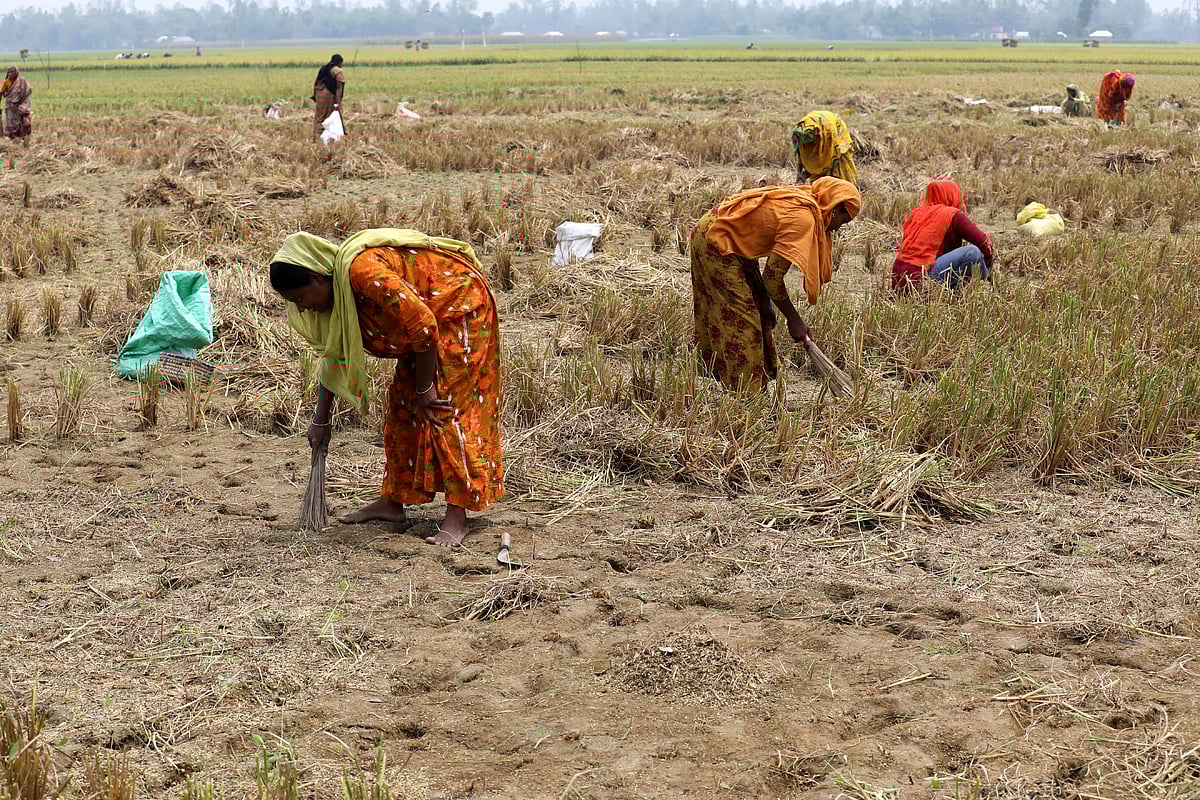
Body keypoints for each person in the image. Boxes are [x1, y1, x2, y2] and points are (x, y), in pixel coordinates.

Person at [268, 228, 505, 547]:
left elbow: (424, 326)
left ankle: (457, 515)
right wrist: (320, 419)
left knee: (445, 408)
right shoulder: (336, 298)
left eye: (300, 298)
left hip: (459, 306)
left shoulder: (364, 273)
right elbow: (334, 355)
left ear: (319, 278)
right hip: (424, 327)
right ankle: (393, 502)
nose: (302, 309)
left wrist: (425, 388)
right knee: (403, 408)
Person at [689, 178, 861, 390]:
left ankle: (752, 384)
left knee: (759, 312)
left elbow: (760, 261)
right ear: (835, 208)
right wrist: (794, 319)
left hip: (726, 238)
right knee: (742, 321)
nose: (836, 229)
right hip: (715, 241)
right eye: (843, 221)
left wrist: (764, 300)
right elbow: (772, 279)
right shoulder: (803, 219)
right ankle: (747, 394)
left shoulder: (808, 204)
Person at [891, 181, 993, 294]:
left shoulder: (918, 214)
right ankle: (988, 286)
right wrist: (988, 262)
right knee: (972, 252)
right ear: (952, 195)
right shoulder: (952, 214)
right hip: (921, 280)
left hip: (898, 281)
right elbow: (984, 242)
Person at [791, 110, 857, 186]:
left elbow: (827, 158)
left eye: (810, 143)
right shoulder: (799, 134)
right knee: (818, 184)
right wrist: (799, 178)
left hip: (835, 135)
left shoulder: (827, 135)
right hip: (822, 133)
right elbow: (801, 157)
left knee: (840, 173)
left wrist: (807, 173)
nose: (808, 146)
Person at [311, 54, 345, 142]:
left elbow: (316, 82)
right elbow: (339, 87)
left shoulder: (324, 68)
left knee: (319, 117)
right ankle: (329, 138)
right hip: (329, 95)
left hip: (319, 93)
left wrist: (314, 95)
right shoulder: (337, 71)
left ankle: (316, 137)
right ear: (339, 63)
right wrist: (338, 102)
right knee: (330, 116)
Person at [2, 67, 32, 145]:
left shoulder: (22, 81)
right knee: (11, 122)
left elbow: (28, 91)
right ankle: (13, 137)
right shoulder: (6, 82)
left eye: (12, 72)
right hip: (10, 106)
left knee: (23, 121)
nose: (10, 74)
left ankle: (22, 136)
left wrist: (20, 101)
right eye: (8, 72)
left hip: (21, 105)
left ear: (16, 73)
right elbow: (2, 93)